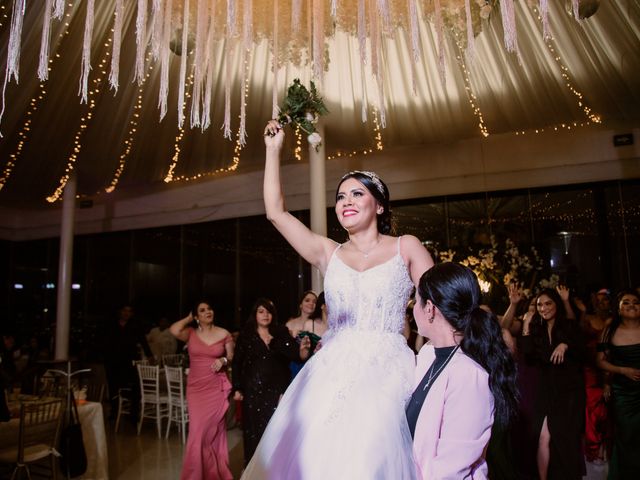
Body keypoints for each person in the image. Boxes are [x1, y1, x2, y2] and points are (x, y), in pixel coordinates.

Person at [239, 120, 434, 479]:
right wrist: (272, 150)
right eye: (340, 196)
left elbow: (437, 305)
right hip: (330, 371)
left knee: (371, 458)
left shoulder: (406, 246)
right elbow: (276, 213)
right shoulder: (329, 252)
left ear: (379, 206)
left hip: (388, 370)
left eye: (357, 194)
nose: (346, 201)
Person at [408, 262, 519, 479]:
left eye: (416, 300)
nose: (413, 308)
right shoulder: (427, 356)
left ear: (429, 308)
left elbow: (451, 470)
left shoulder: (469, 375)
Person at [232, 298, 310, 466]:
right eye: (261, 311)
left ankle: (275, 471)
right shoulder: (246, 335)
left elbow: (295, 355)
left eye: (268, 312)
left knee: (275, 433)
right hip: (253, 392)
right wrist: (237, 388)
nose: (265, 315)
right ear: (255, 315)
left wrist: (303, 351)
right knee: (254, 433)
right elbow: (237, 362)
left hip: (277, 392)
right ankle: (254, 471)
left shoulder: (281, 332)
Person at [520, 287, 586, 480]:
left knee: (566, 439)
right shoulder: (537, 328)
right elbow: (528, 356)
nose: (543, 308)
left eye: (548, 303)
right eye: (540, 304)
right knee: (542, 437)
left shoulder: (568, 326)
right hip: (546, 390)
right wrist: (526, 324)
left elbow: (582, 351)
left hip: (569, 391)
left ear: (556, 304)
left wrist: (566, 344)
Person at [170, 300, 235, 480]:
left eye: (210, 308)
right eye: (202, 310)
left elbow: (231, 355)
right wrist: (189, 317)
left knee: (211, 432)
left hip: (215, 388)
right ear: (197, 316)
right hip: (196, 389)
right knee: (197, 431)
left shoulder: (223, 333)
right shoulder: (190, 333)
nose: (208, 311)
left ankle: (212, 472)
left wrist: (223, 361)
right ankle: (196, 474)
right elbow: (173, 330)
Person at [596, 289, 640, 479]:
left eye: (636, 302)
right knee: (627, 436)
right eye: (626, 302)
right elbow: (600, 361)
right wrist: (624, 371)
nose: (632, 305)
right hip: (624, 393)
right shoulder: (610, 329)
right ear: (619, 308)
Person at [103, 304, 153, 417]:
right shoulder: (112, 324)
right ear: (120, 312)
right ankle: (114, 411)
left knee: (135, 385)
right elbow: (105, 341)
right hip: (113, 361)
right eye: (124, 310)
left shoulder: (135, 325)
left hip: (130, 361)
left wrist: (150, 356)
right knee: (113, 387)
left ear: (132, 314)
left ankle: (134, 413)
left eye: (129, 311)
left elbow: (143, 341)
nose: (126, 313)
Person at [285, 290, 317, 378]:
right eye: (307, 300)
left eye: (314, 302)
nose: (311, 303)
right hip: (292, 368)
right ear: (300, 305)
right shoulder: (289, 324)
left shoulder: (318, 324)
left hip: (311, 368)